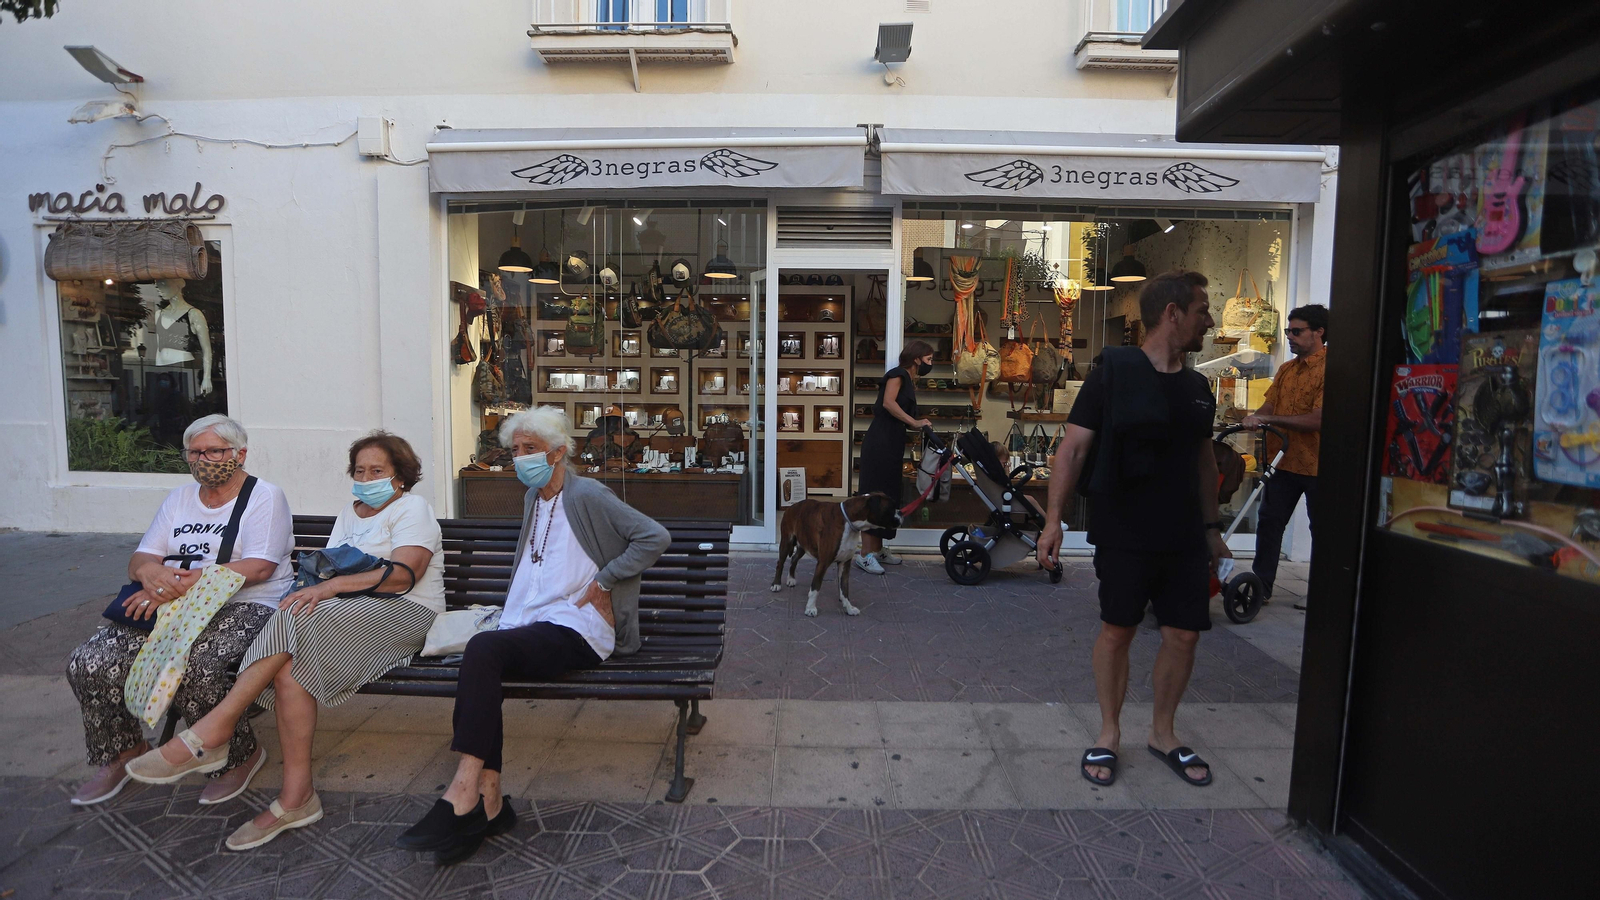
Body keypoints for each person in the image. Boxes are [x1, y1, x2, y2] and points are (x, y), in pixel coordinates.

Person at [124, 431, 445, 850]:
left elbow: (404, 575)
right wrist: (319, 588)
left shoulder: (412, 508)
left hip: (407, 612)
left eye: (377, 471)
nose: (366, 477)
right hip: (348, 613)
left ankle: (214, 730)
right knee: (291, 667)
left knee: (292, 618)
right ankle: (297, 797)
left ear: (400, 476)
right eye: (360, 470)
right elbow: (331, 569)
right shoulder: (352, 512)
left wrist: (328, 590)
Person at [396, 407, 669, 864]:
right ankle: (490, 801)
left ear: (558, 452)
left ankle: (462, 792)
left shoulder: (588, 494)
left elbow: (653, 536)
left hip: (577, 628)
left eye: (529, 450)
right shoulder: (534, 499)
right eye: (515, 450)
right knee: (488, 660)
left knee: (484, 653)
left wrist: (604, 581)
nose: (519, 459)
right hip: (530, 623)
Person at [1036, 271, 1231, 789]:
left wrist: (1213, 528)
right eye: (1202, 310)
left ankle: (1163, 734)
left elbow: (1205, 465)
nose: (1209, 320)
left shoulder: (1197, 387)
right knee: (1118, 630)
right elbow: (1072, 449)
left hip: (1185, 530)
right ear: (1172, 313)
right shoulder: (1113, 373)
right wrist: (1053, 521)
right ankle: (1109, 732)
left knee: (1184, 635)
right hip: (1124, 527)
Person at [65, 415, 294, 807]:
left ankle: (237, 758)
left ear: (239, 454)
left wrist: (175, 584)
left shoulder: (264, 496)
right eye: (196, 452)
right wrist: (152, 574)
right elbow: (142, 557)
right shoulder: (179, 499)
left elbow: (259, 567)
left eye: (215, 451)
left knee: (200, 667)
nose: (205, 459)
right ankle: (123, 752)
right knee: (91, 662)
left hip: (244, 601)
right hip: (169, 602)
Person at [1243, 304, 1327, 607]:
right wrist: (1254, 418)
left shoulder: (1329, 367)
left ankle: (1322, 592)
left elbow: (1319, 419)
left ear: (1319, 332)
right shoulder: (1287, 369)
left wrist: (1271, 420)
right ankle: (1260, 587)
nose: (1290, 336)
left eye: (1297, 331)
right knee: (1269, 522)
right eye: (1288, 331)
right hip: (1283, 460)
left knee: (1322, 529)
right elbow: (1269, 407)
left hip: (1318, 463)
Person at [854, 340, 936, 574]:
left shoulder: (909, 380)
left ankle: (877, 549)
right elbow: (888, 403)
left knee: (887, 496)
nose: (930, 364)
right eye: (928, 360)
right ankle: (864, 555)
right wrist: (914, 422)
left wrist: (919, 424)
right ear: (917, 358)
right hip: (880, 442)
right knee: (874, 495)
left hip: (892, 443)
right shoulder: (898, 374)